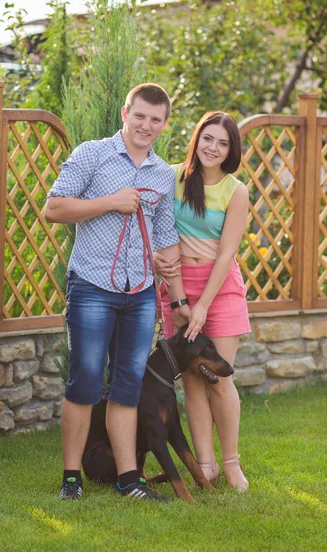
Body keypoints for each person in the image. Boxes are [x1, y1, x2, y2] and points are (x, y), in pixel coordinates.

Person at [44, 83, 191, 501]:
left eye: (156, 120)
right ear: (125, 112)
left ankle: (129, 479)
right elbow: (54, 208)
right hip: (92, 286)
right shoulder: (92, 154)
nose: (146, 125)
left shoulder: (163, 174)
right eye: (140, 115)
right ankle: (71, 478)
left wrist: (175, 292)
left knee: (127, 385)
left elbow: (165, 237)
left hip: (142, 291)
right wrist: (109, 201)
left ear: (164, 125)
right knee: (86, 382)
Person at [155, 110, 250, 492]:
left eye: (223, 143)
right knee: (192, 381)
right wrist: (180, 299)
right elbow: (164, 233)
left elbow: (226, 254)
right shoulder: (173, 177)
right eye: (208, 138)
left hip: (220, 289)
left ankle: (231, 465)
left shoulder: (235, 190)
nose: (213, 148)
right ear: (197, 139)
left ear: (231, 150)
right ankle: (205, 466)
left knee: (218, 377)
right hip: (177, 287)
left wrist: (204, 305)